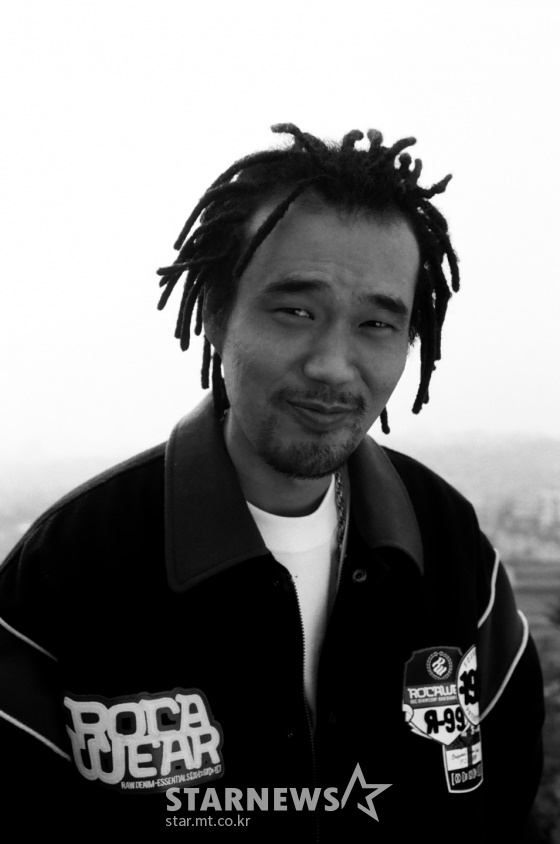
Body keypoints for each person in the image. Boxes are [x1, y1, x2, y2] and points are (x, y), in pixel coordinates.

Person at [0, 124, 545, 842]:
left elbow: (505, 794)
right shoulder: (70, 571)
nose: (332, 365)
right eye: (296, 311)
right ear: (216, 316)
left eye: (377, 323)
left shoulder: (449, 546)